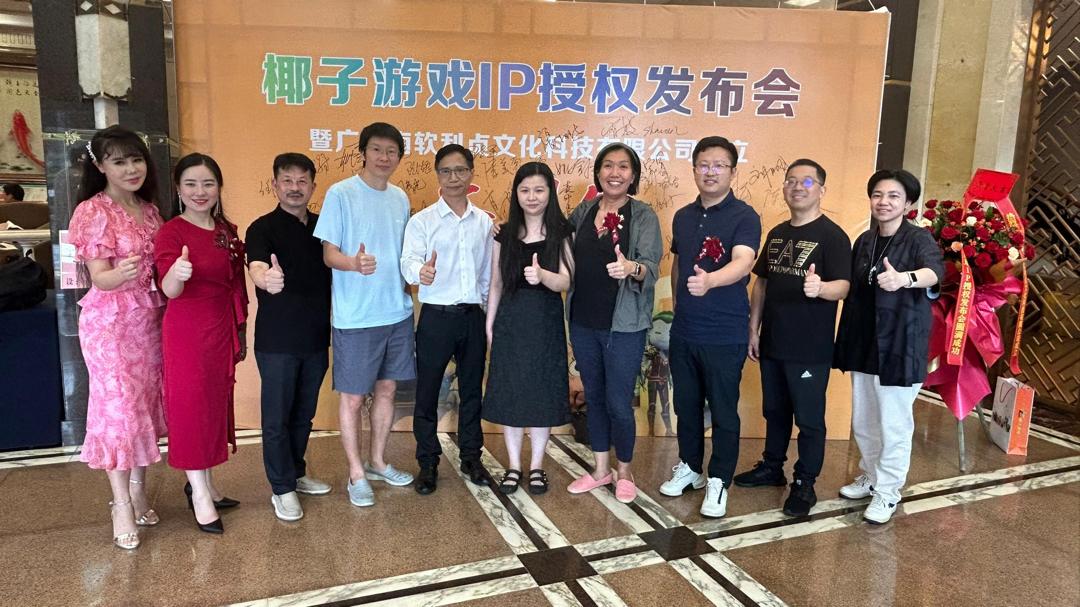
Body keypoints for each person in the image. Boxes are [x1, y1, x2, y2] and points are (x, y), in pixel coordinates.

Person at [733, 159, 852, 517]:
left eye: (807, 182)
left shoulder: (833, 236)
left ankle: (805, 482)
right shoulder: (777, 233)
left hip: (809, 347)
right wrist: (753, 328)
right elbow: (762, 283)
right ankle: (773, 467)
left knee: (809, 418)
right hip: (773, 341)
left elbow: (844, 286)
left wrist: (821, 288)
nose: (798, 187)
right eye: (791, 181)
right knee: (775, 410)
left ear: (821, 190)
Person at [68, 126, 166, 550]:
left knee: (145, 406)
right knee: (120, 412)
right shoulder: (93, 211)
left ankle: (140, 490)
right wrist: (118, 274)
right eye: (119, 161)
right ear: (101, 166)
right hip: (110, 325)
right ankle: (120, 503)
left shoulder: (152, 211)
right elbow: (99, 277)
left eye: (136, 159)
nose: (131, 169)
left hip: (151, 319)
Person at [314, 122, 415, 507]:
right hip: (356, 317)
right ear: (363, 152)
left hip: (397, 312)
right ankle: (356, 473)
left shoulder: (400, 197)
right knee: (354, 398)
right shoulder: (341, 194)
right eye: (377, 149)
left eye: (392, 151)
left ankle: (377, 461)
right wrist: (353, 264)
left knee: (387, 390)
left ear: (399, 157)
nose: (384, 157)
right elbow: (329, 254)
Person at [833, 169, 943, 524]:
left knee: (894, 423)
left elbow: (934, 273)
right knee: (864, 419)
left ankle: (888, 491)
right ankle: (870, 475)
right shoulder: (865, 240)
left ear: (908, 203)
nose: (884, 202)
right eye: (878, 194)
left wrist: (904, 279)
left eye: (894, 196)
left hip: (900, 342)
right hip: (865, 341)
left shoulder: (918, 238)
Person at [659, 136, 761, 518]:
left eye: (719, 165)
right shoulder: (683, 216)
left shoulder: (744, 216)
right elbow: (678, 264)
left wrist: (711, 282)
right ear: (693, 169)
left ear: (732, 172)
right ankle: (691, 467)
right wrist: (678, 306)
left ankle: (719, 480)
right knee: (686, 406)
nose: (710, 171)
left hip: (724, 332)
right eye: (703, 164)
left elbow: (744, 261)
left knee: (722, 410)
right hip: (685, 330)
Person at [154, 153, 248, 534]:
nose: (200, 191)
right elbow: (168, 289)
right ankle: (200, 495)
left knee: (212, 405)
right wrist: (177, 273)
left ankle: (205, 484)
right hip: (187, 332)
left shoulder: (225, 229)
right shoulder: (172, 232)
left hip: (219, 327)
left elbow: (235, 280)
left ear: (219, 188)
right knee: (191, 409)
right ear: (178, 189)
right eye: (191, 184)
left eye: (208, 183)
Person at [565, 142, 661, 504]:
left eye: (623, 166)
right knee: (594, 398)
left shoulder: (643, 215)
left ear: (633, 175)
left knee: (619, 402)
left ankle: (624, 472)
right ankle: (600, 469)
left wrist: (630, 267)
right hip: (584, 320)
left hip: (624, 325)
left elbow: (651, 265)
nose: (615, 173)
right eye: (608, 165)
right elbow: (553, 235)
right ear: (598, 172)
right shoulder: (585, 210)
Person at [401, 144, 493, 494]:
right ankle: (427, 463)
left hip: (472, 317)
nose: (454, 177)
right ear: (437, 175)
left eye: (460, 170)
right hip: (436, 318)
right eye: (446, 171)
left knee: (472, 391)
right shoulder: (422, 221)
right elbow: (408, 262)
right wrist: (419, 273)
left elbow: (487, 274)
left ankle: (471, 458)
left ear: (471, 173)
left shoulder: (484, 222)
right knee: (427, 392)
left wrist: (486, 312)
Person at [246, 153, 333, 522]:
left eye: (302, 181)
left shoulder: (324, 227)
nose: (295, 188)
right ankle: (281, 488)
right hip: (277, 341)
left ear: (312, 186)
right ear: (275, 185)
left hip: (316, 338)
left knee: (303, 414)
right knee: (277, 418)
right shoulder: (262, 228)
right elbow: (256, 266)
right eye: (287, 180)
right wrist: (266, 278)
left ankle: (296, 473)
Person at [482, 162, 573, 495]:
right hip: (510, 319)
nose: (532, 197)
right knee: (511, 392)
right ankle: (513, 465)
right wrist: (490, 324)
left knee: (541, 392)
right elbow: (495, 283)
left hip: (545, 321)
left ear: (550, 193)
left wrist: (543, 276)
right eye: (525, 190)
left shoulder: (562, 231)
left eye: (539, 190)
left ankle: (536, 466)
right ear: (516, 194)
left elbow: (566, 280)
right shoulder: (503, 234)